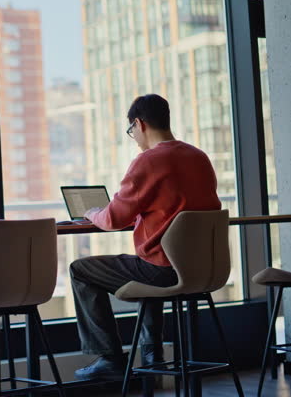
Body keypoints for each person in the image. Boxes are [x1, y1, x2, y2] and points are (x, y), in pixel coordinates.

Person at [70, 94, 221, 381]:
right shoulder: (198, 157)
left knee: (80, 269)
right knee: (146, 263)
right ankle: (153, 356)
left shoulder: (148, 161)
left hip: (164, 271)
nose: (134, 137)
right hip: (204, 269)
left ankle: (110, 358)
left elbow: (113, 219)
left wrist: (91, 213)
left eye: (131, 131)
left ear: (139, 124)